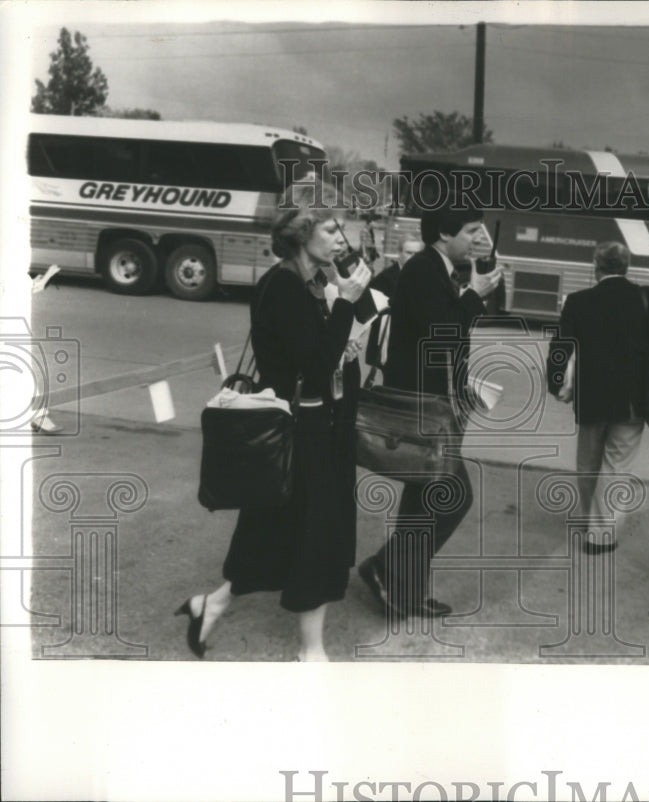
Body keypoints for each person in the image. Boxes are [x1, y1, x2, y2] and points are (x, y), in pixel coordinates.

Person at [176, 183, 372, 661]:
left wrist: (344, 311)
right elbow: (315, 362)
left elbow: (318, 352)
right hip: (301, 431)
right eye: (330, 228)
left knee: (276, 533)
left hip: (315, 425)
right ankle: (312, 652)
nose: (339, 237)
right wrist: (346, 304)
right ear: (303, 232)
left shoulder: (307, 284)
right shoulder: (284, 286)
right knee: (315, 535)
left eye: (339, 227)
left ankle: (211, 605)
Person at [357, 202, 503, 619]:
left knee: (423, 501)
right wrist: (475, 295)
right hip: (422, 408)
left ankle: (403, 588)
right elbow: (441, 335)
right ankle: (384, 569)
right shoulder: (423, 270)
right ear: (443, 234)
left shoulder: (440, 269)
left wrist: (477, 290)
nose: (478, 238)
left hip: (436, 403)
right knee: (452, 496)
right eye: (471, 230)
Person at [546, 241, 649, 553]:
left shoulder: (578, 301)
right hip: (633, 401)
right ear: (626, 266)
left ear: (596, 266)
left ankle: (586, 518)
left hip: (592, 400)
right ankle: (601, 534)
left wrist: (556, 385)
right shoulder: (648, 297)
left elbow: (560, 348)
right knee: (617, 465)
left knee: (588, 462)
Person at [364, 234, 422, 369]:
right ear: (399, 253)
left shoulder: (424, 276)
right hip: (388, 348)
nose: (414, 257)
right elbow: (368, 311)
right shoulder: (384, 278)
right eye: (409, 253)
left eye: (417, 253)